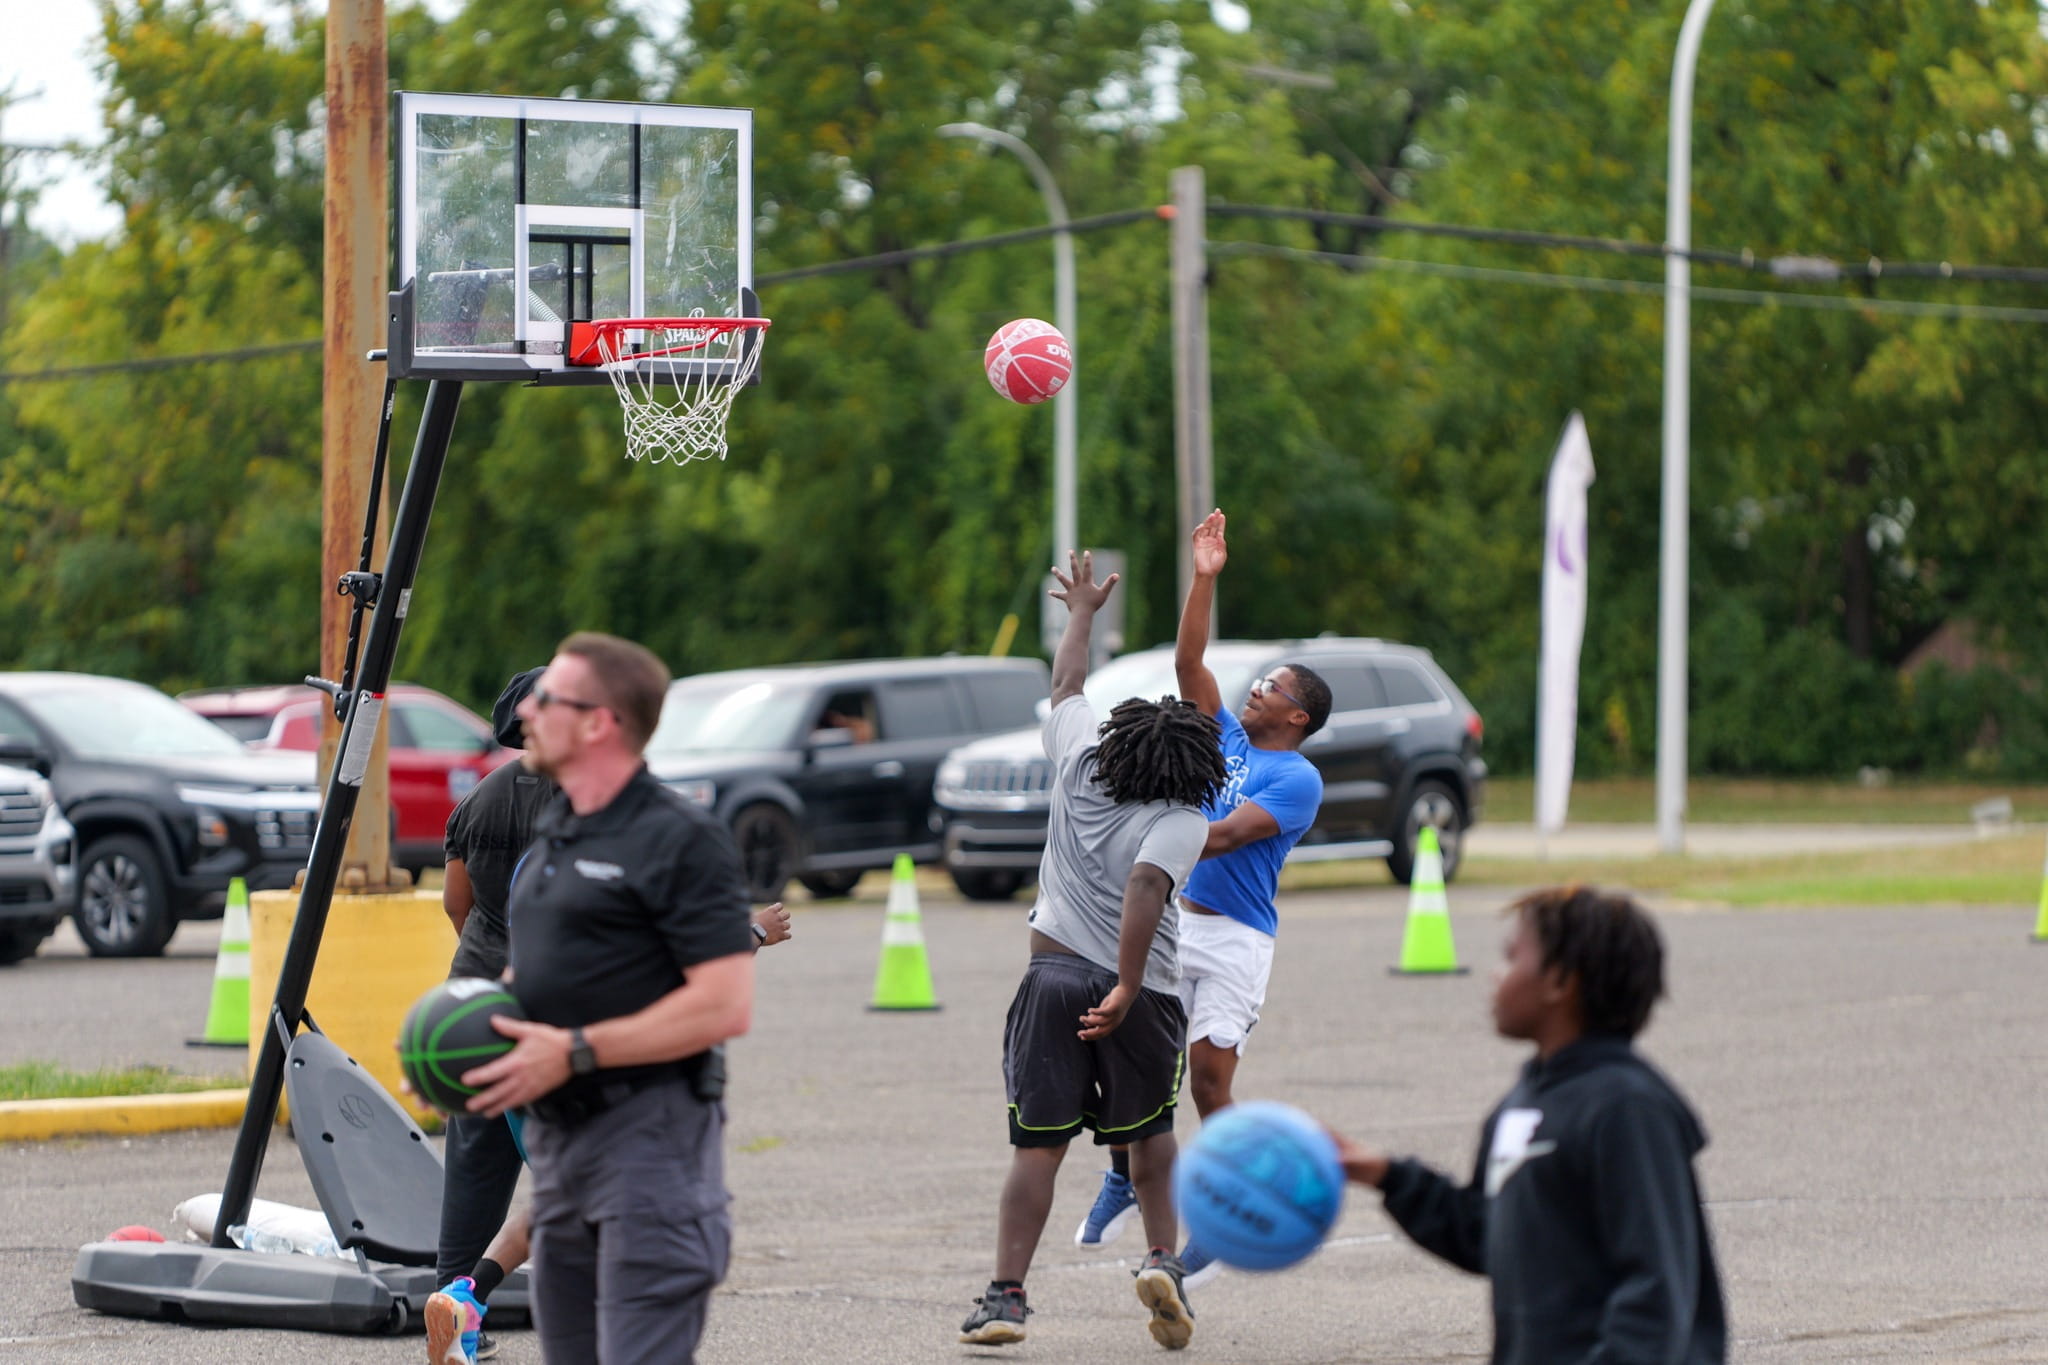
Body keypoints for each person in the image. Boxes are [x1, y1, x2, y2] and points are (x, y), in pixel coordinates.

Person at [424, 662, 794, 1365]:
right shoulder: (600, 823)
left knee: (484, 1168)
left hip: (481, 1009)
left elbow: (456, 902)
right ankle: (485, 1297)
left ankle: (456, 1293)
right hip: (576, 1047)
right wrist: (750, 933)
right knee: (583, 1189)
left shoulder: (486, 802)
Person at [959, 552, 1225, 1352]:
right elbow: (1147, 886)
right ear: (1192, 764)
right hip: (1139, 993)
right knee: (1149, 1136)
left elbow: (1067, 686)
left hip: (1050, 977)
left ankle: (1005, 1295)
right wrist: (1130, 983)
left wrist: (1082, 611)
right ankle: (1161, 1261)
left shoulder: (1080, 760)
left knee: (1036, 1146)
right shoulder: (1183, 814)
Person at [1080, 509, 1330, 1293]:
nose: (1257, 688)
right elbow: (1191, 658)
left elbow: (1219, 840)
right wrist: (1204, 577)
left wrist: (1148, 838)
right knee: (1130, 1053)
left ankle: (1230, 1213)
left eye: (1275, 687)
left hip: (1237, 940)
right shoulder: (1222, 736)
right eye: (1258, 680)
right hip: (1179, 930)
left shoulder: (1296, 778)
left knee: (1210, 1082)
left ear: (1298, 717)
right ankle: (1124, 1172)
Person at [1328, 885, 1728, 1365]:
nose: (1494, 976)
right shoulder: (1523, 1103)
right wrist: (1388, 1174)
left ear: (1560, 982)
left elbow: (1655, 1290)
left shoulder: (1627, 1108)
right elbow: (1486, 1233)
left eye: (1511, 958)